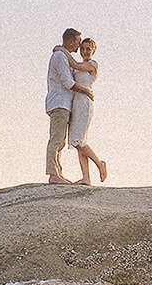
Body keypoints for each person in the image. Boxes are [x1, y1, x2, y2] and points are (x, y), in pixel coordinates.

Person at [68, 37, 107, 184]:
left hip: (85, 103)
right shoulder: (77, 65)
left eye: (88, 49)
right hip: (76, 103)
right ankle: (86, 177)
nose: (84, 52)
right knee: (78, 141)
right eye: (83, 49)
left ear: (93, 50)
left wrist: (62, 50)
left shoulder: (92, 64)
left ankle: (99, 163)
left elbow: (75, 65)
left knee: (78, 141)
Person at [44, 28, 81, 184]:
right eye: (78, 42)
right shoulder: (60, 56)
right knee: (56, 139)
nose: (79, 45)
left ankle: (58, 172)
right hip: (59, 103)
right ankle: (53, 174)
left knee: (61, 141)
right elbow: (68, 82)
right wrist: (86, 91)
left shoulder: (64, 55)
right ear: (71, 41)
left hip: (64, 104)